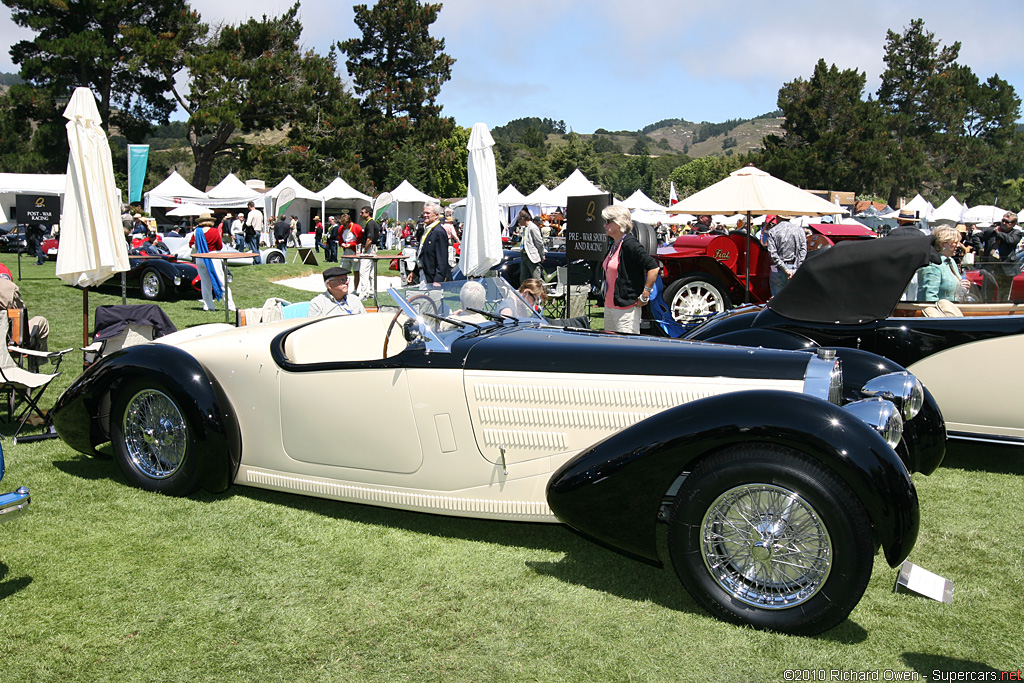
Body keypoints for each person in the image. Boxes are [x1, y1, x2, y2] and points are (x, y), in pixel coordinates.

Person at [600, 205, 660, 334]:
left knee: (625, 348)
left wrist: (645, 294)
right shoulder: (614, 244)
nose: (605, 225)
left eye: (607, 221)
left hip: (626, 308)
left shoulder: (630, 244)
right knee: (609, 347)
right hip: (610, 305)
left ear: (618, 222)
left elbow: (653, 268)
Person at [0, 271, 50, 370]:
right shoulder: (8, 286)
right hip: (10, 341)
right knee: (41, 321)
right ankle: (35, 365)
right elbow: (21, 310)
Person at [189, 213, 235, 312]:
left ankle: (208, 305)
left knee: (205, 283)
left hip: (200, 257)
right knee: (221, 281)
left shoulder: (197, 231)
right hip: (212, 256)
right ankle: (229, 305)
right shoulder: (214, 231)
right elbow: (219, 246)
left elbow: (190, 244)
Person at [971, 211, 1021, 300]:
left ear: (1013, 224)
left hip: (1005, 268)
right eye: (1003, 220)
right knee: (987, 294)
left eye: (1007, 222)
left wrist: (999, 233)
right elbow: (976, 236)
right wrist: (980, 248)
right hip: (990, 267)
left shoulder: (1016, 233)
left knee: (1004, 296)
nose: (1004, 223)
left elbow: (1011, 241)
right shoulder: (991, 231)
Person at [917, 226, 972, 302]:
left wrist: (962, 287)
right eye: (955, 242)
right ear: (943, 244)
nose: (959, 245)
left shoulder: (950, 261)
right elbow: (928, 298)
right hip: (940, 312)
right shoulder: (932, 266)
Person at [764, 216, 808, 296]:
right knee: (793, 298)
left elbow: (772, 254)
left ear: (777, 218)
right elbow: (803, 250)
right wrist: (796, 268)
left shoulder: (773, 231)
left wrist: (785, 269)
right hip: (794, 267)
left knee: (776, 301)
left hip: (778, 269)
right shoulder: (799, 230)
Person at [416, 202, 450, 285]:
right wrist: (415, 272)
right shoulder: (427, 230)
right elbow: (422, 252)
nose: (425, 215)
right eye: (424, 213)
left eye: (428, 213)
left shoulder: (439, 231)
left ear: (436, 215)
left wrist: (438, 279)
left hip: (432, 277)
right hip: (423, 273)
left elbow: (442, 257)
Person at [516, 208, 545, 282]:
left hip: (532, 257)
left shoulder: (533, 227)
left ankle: (539, 293)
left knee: (536, 279)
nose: (518, 222)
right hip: (524, 255)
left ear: (522, 219)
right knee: (522, 279)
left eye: (519, 220)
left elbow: (539, 242)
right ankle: (523, 293)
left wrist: (542, 255)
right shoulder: (524, 228)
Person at [358, 206, 380, 299]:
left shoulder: (370, 224)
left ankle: (363, 293)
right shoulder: (373, 223)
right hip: (373, 249)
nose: (361, 214)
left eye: (362, 212)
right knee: (371, 272)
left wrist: (365, 250)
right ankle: (372, 291)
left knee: (364, 271)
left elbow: (369, 239)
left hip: (370, 249)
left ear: (368, 213)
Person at [338, 213, 363, 290]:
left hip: (355, 252)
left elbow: (360, 241)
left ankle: (355, 289)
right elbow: (340, 238)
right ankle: (344, 288)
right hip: (346, 252)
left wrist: (351, 244)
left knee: (356, 271)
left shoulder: (357, 228)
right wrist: (342, 244)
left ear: (349, 222)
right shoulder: (341, 228)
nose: (344, 226)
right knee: (343, 271)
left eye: (345, 224)